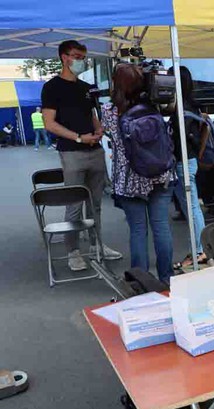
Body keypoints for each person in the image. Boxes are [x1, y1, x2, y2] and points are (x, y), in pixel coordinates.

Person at [41, 40, 122, 271]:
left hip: (94, 150)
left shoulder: (86, 87)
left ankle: (97, 244)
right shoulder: (52, 87)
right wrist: (78, 137)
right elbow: (49, 123)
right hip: (72, 153)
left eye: (83, 57)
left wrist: (98, 130)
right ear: (64, 57)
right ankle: (73, 251)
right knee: (74, 203)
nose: (81, 61)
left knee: (95, 204)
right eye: (77, 56)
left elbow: (93, 114)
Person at [100, 64, 175, 284]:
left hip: (129, 177)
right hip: (160, 173)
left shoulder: (109, 110)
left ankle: (140, 281)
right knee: (161, 226)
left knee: (138, 230)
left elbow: (108, 134)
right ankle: (167, 277)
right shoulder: (155, 105)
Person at [166, 66, 207, 268]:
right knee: (191, 206)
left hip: (184, 161)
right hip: (190, 160)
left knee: (191, 207)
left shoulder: (181, 109)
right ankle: (200, 249)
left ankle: (199, 250)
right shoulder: (193, 105)